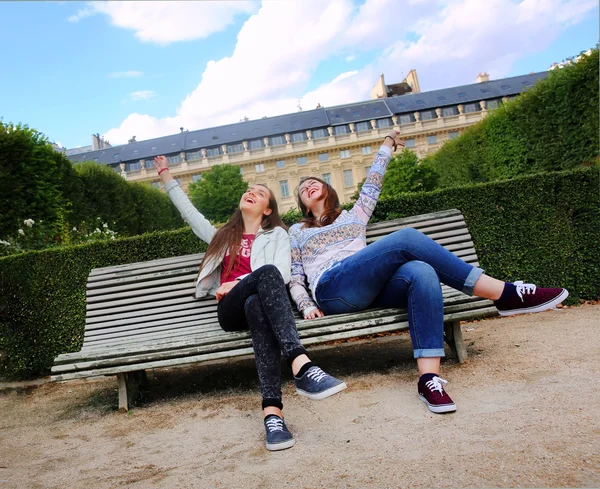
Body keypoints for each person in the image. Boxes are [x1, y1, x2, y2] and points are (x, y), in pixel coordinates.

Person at [288, 131, 568, 414]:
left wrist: (386, 145)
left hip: (369, 288)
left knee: (421, 271)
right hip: (333, 289)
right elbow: (296, 277)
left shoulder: (354, 216)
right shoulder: (297, 231)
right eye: (302, 189)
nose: (308, 186)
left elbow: (373, 182)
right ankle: (502, 293)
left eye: (314, 182)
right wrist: (306, 304)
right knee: (407, 238)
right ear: (302, 203)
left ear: (328, 189)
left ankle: (429, 379)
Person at [154, 156, 346, 451]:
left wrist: (241, 281)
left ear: (267, 209)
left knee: (258, 301)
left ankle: (273, 416)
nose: (251, 192)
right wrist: (166, 176)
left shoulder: (277, 235)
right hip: (228, 309)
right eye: (249, 190)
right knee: (262, 277)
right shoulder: (221, 236)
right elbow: (190, 213)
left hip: (259, 305)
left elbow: (282, 273)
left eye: (259, 192)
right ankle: (302, 365)